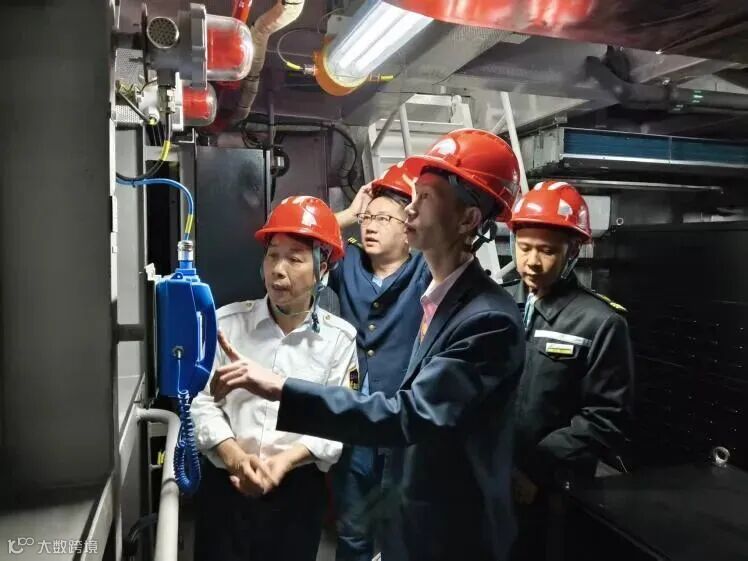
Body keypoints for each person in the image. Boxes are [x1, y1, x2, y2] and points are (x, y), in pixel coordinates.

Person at [212, 128, 526, 561]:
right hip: (414, 516)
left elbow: (411, 415)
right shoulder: (439, 299)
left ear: (468, 219)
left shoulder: (487, 319)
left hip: (452, 533)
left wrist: (281, 388)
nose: (409, 207)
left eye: (425, 197)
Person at [190, 196, 358, 561]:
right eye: (272, 256)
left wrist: (283, 463)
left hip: (297, 494)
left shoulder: (339, 340)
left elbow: (336, 419)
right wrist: (235, 458)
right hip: (227, 486)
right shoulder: (227, 324)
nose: (278, 270)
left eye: (295, 259)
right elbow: (201, 402)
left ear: (321, 268)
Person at [503, 180, 634, 561]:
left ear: (572, 251)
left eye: (547, 251)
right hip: (494, 473)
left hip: (554, 486)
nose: (532, 262)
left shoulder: (600, 323)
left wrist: (535, 470)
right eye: (524, 247)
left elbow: (607, 416)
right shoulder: (500, 304)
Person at [330, 162, 431, 561]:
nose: (370, 226)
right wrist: (347, 215)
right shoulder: (347, 264)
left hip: (402, 428)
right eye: (367, 218)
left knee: (401, 535)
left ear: (408, 229)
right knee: (353, 532)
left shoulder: (426, 272)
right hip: (354, 425)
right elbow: (299, 241)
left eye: (383, 219)